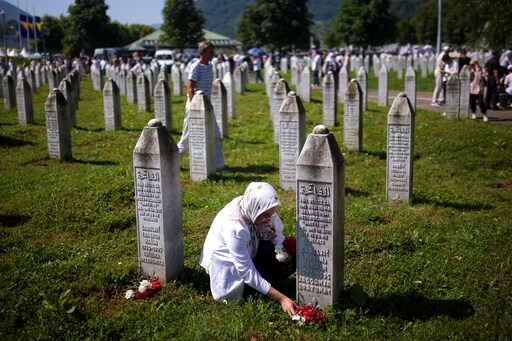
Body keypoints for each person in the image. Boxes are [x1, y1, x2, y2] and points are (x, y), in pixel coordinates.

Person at [199, 182, 298, 317]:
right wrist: (282, 298)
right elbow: (246, 272)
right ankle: (254, 290)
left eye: (270, 214)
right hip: (229, 269)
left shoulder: (254, 206)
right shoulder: (235, 228)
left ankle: (266, 284)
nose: (268, 219)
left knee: (285, 256)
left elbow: (274, 235)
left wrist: (284, 251)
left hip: (250, 250)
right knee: (254, 279)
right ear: (256, 209)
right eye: (264, 215)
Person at [176, 41, 224, 170]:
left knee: (216, 135)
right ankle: (173, 161)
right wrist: (194, 107)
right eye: (210, 52)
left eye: (213, 52)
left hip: (206, 105)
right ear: (202, 52)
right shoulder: (195, 66)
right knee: (186, 139)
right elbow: (190, 88)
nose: (213, 55)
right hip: (195, 105)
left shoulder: (210, 66)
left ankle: (219, 165)